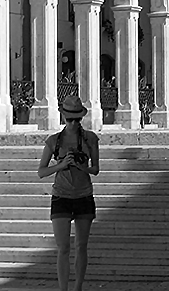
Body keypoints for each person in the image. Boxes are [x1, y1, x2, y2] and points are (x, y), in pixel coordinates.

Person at [37, 96, 100, 291]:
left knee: (81, 246)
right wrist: (61, 165)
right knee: (63, 248)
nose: (73, 123)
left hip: (83, 195)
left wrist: (83, 167)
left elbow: (96, 169)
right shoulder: (54, 141)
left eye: (77, 120)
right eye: (70, 119)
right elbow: (41, 171)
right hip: (61, 196)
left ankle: (78, 287)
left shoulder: (90, 139)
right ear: (63, 117)